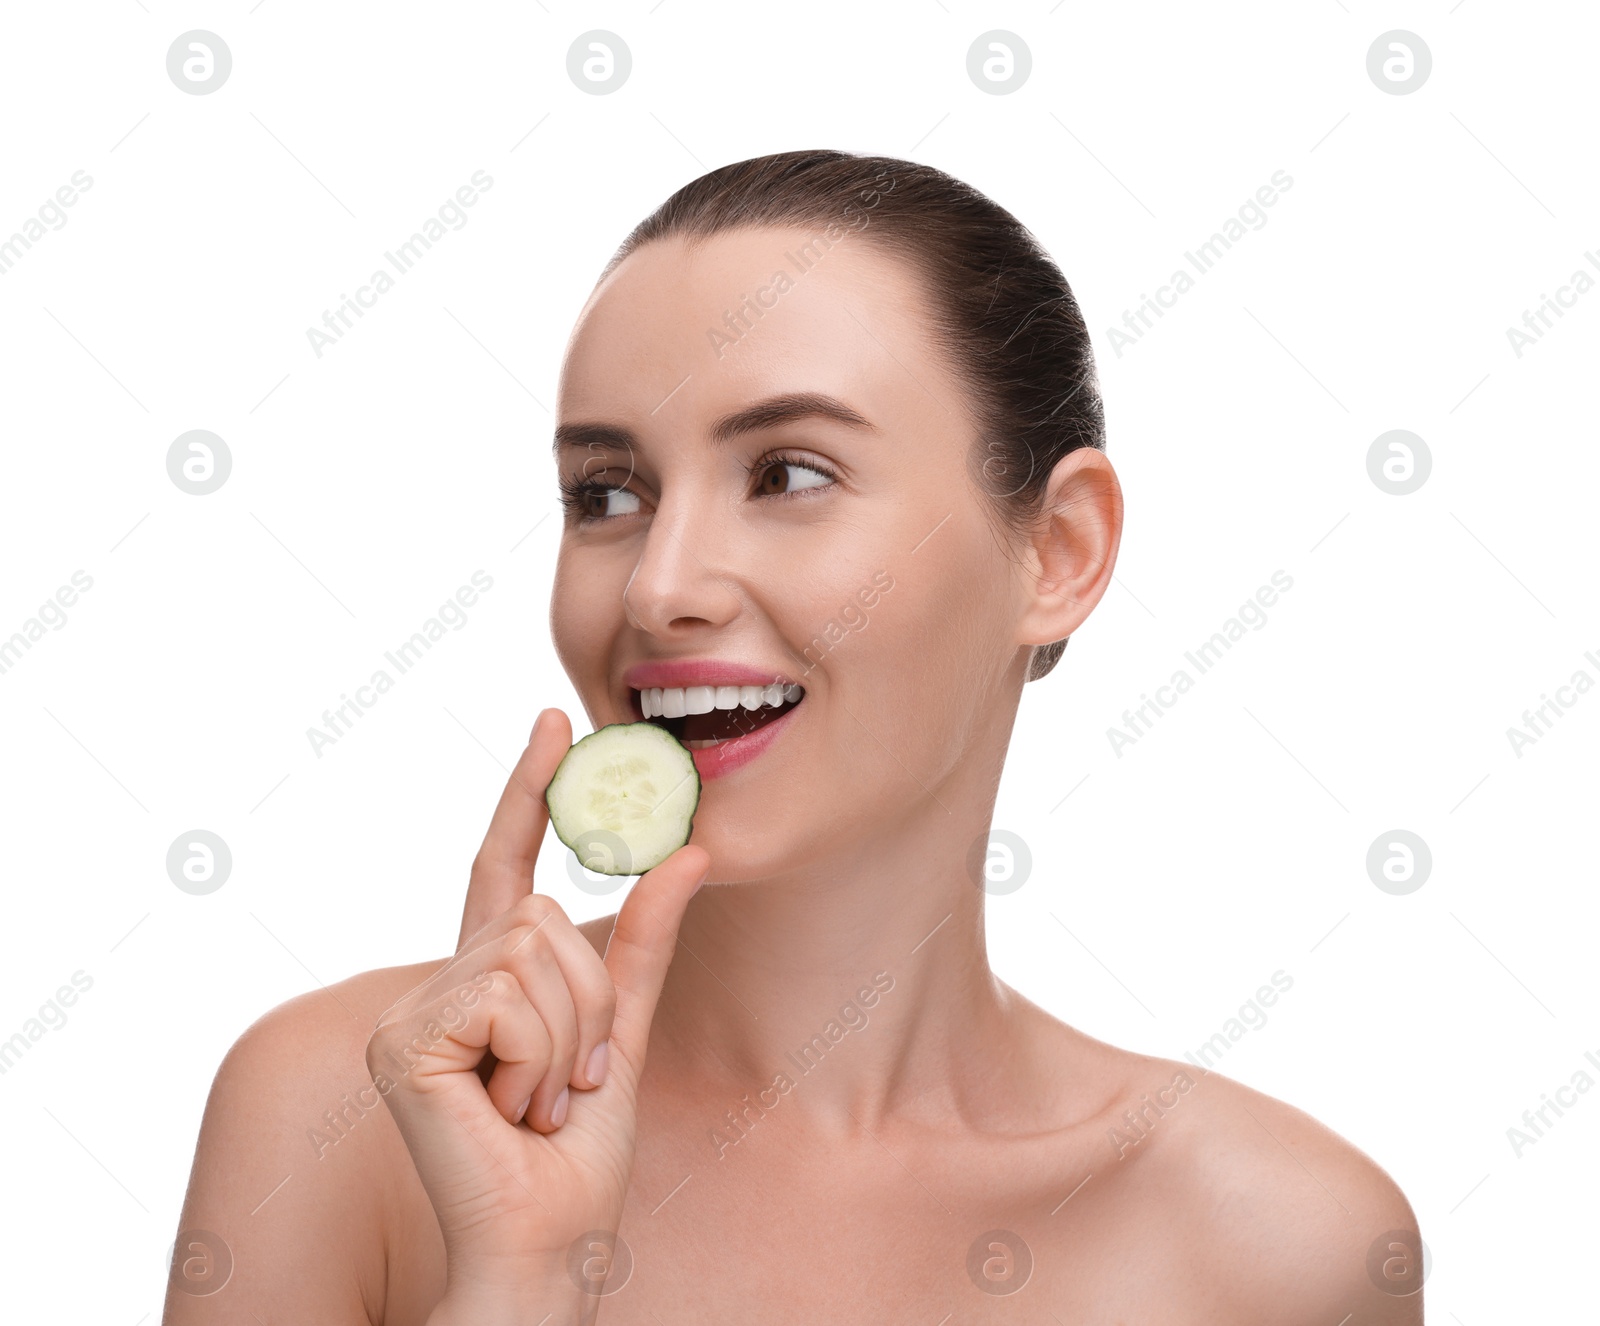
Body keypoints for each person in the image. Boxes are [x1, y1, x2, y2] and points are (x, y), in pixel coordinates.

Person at [165, 149, 1422, 1324]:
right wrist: (518, 1280)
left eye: (788, 474)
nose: (660, 587)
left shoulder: (1285, 1244)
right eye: (607, 494)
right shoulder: (346, 1112)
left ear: (1059, 551)